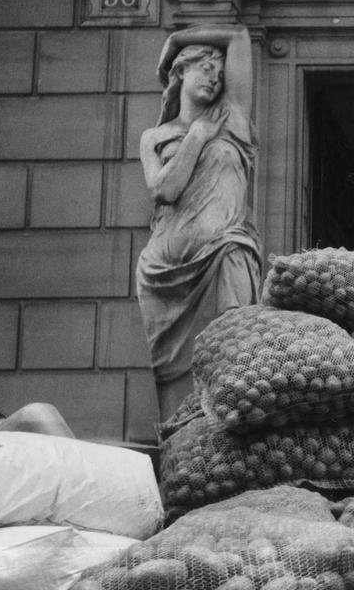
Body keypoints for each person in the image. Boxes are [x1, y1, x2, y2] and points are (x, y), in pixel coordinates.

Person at [136, 24, 262, 422]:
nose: (214, 78)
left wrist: (177, 39)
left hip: (225, 254)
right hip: (164, 272)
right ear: (180, 72)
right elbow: (165, 189)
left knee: (234, 357)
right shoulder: (154, 136)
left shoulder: (232, 118)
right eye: (206, 68)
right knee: (169, 384)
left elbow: (239, 37)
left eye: (220, 74)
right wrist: (196, 137)